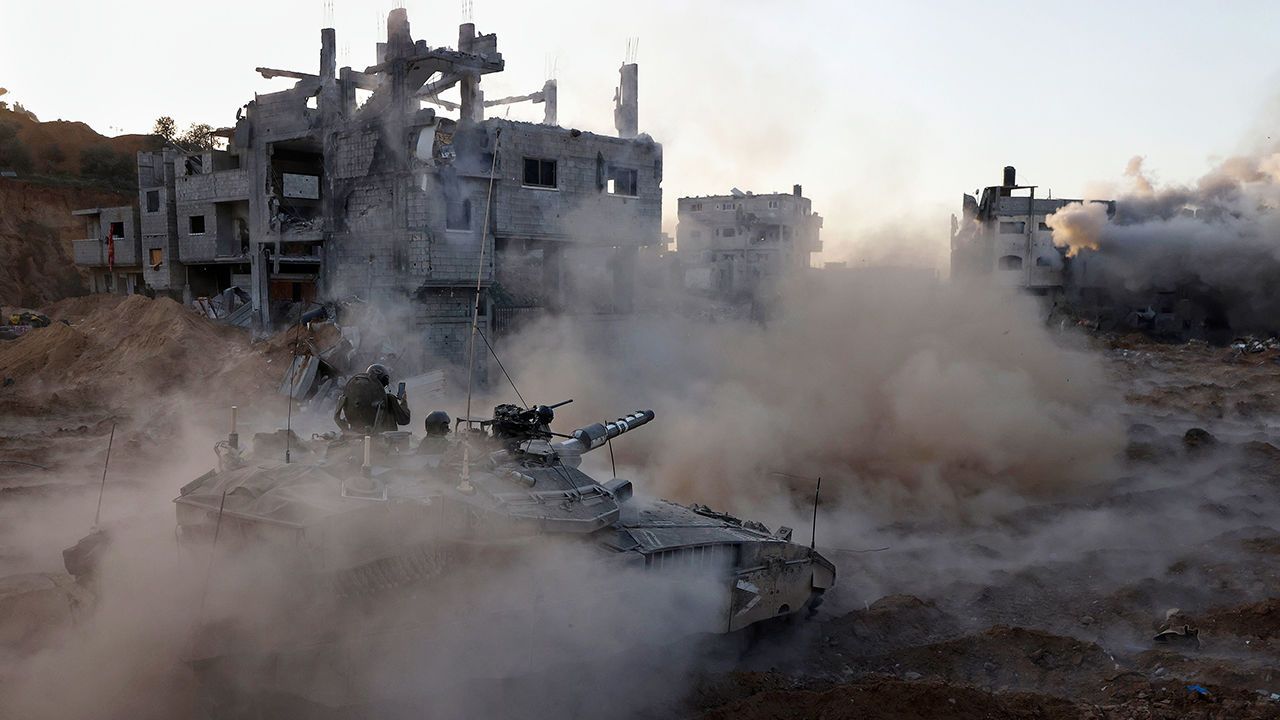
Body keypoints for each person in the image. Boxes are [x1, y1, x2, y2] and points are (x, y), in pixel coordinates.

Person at [333, 363, 411, 434]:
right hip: (385, 441)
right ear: (385, 381)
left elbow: (349, 418)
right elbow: (404, 420)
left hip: (359, 437)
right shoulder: (389, 399)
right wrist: (404, 402)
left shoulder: (356, 399)